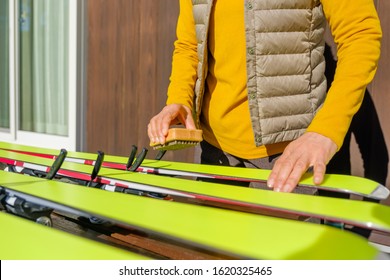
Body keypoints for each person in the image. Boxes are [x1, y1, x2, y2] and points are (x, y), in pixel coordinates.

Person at [148, 0, 382, 193]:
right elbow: (190, 45)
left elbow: (360, 36)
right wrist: (178, 99)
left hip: (288, 158)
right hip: (214, 152)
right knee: (211, 250)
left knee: (288, 251)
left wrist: (326, 131)